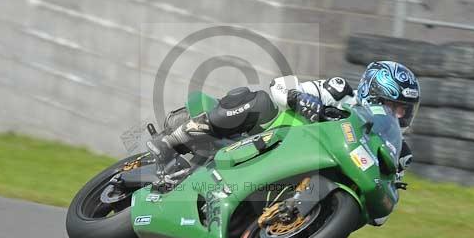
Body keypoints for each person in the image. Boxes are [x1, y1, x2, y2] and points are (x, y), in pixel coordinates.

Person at [147, 61, 420, 180]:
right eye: (394, 106)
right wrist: (300, 99)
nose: (399, 115)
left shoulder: (396, 152)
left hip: (296, 170)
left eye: (405, 110)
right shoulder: (339, 94)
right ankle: (171, 141)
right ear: (372, 93)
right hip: (268, 138)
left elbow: (381, 213)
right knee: (260, 102)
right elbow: (279, 85)